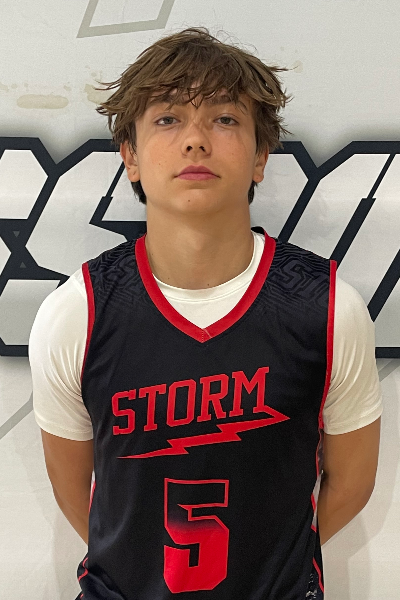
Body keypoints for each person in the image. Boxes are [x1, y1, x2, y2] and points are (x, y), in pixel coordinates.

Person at [28, 27, 382, 600]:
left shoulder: (327, 306)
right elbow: (80, 496)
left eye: (224, 119)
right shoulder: (76, 312)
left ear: (261, 156)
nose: (195, 140)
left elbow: (352, 482)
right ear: (130, 155)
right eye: (168, 119)